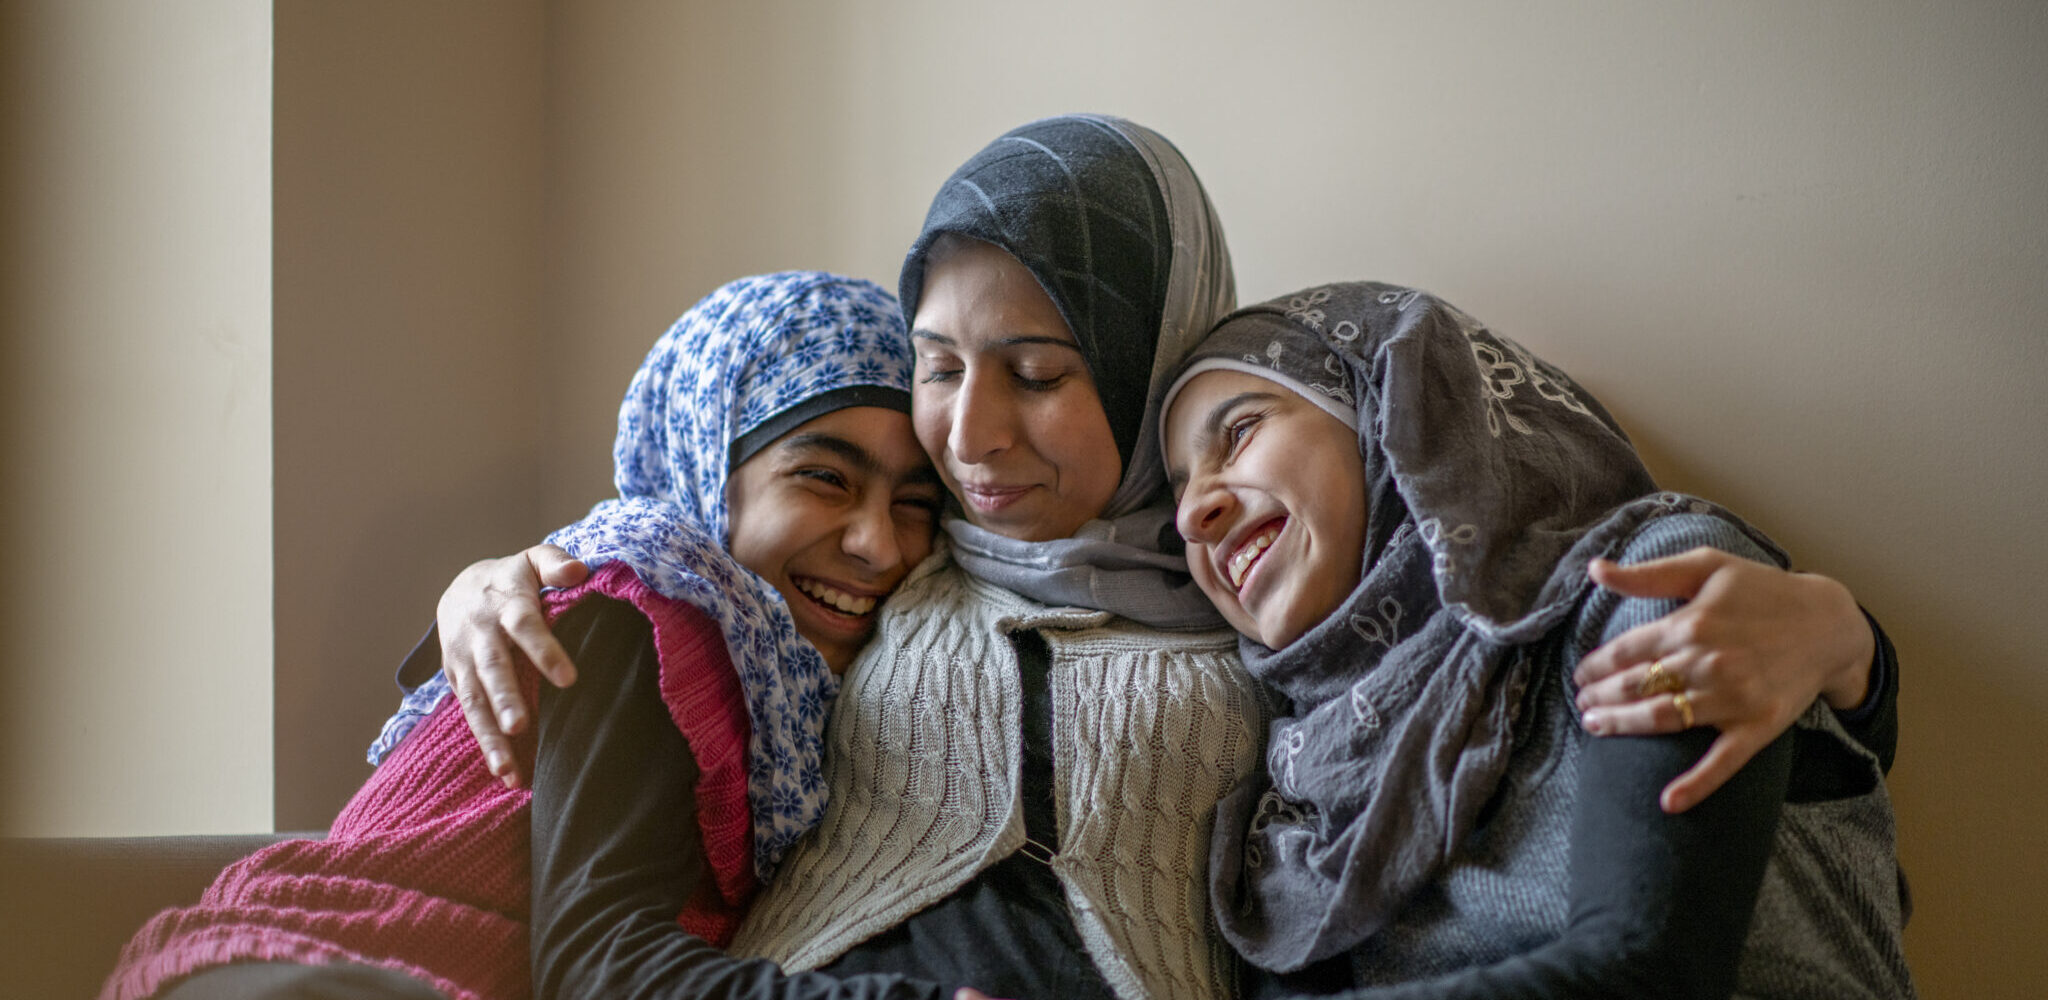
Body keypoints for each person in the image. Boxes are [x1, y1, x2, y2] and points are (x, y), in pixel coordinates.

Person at [427, 116, 1898, 1000]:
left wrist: (1844, 638)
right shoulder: (888, 567)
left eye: (1043, 369)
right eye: (938, 365)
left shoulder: (1301, 645)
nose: (974, 432)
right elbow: (678, 567)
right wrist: (501, 579)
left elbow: (1662, 932)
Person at [99, 271, 945, 1000]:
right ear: (706, 467)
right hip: (298, 968)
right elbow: (601, 966)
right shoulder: (656, 606)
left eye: (915, 503)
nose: (877, 543)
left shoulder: (791, 701)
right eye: (824, 478)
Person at [1162, 282, 1912, 998]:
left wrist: (1859, 650)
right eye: (1177, 488)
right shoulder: (1293, 814)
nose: (1195, 509)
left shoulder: (1647, 583)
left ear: (1393, 416)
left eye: (1240, 431)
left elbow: (1648, 974)